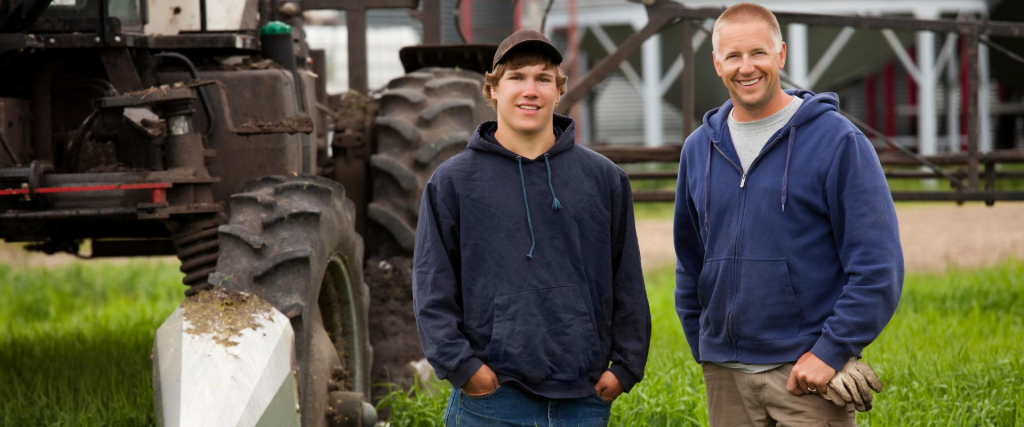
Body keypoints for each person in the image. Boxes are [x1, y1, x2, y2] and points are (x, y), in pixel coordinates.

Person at [672, 3, 903, 426]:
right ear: (717, 63)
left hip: (808, 375)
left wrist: (831, 351)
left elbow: (878, 267)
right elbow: (690, 263)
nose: (746, 67)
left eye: (758, 53)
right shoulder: (698, 149)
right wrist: (704, 346)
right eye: (733, 56)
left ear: (780, 54)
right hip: (725, 376)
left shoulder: (837, 141)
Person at [413, 29, 651, 426]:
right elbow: (431, 286)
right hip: (492, 401)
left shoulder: (604, 179)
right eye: (517, 77)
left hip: (584, 399)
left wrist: (626, 367)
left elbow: (626, 280)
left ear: (558, 91)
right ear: (493, 89)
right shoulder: (453, 182)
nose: (531, 90)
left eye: (543, 78)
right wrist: (464, 368)